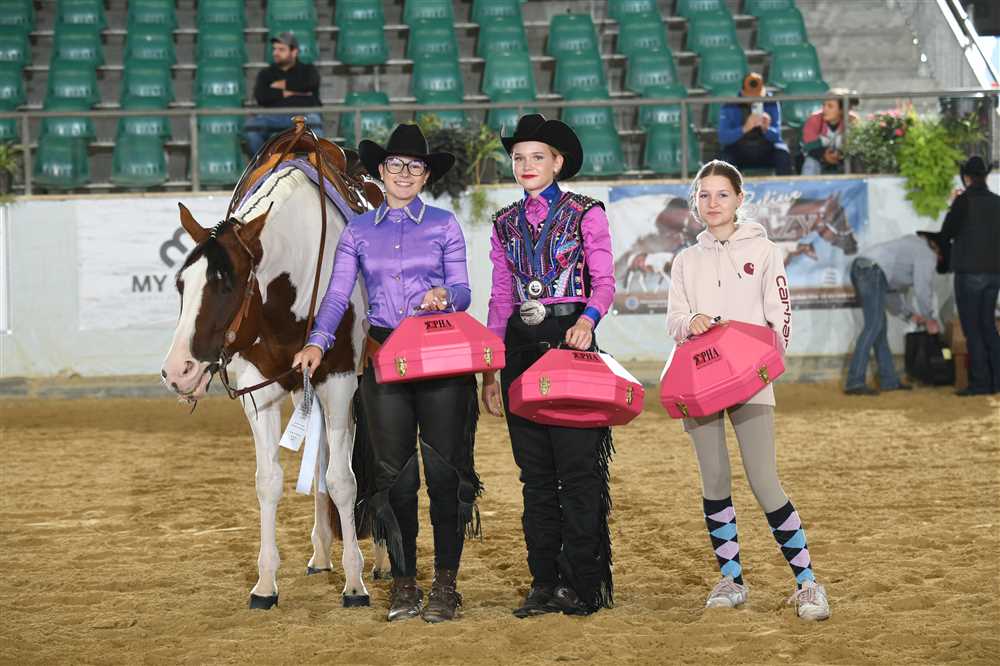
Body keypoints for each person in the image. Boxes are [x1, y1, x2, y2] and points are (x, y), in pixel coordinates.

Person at [293, 124, 480, 624]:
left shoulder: (444, 225)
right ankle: (404, 584)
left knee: (445, 474)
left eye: (415, 166)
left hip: (440, 358)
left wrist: (446, 295)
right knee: (394, 478)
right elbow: (337, 295)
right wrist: (317, 341)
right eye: (395, 164)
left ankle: (445, 585)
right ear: (381, 171)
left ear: (426, 175)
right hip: (384, 359)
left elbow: (463, 291)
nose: (404, 173)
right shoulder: (357, 231)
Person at [666, 159, 830, 621]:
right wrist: (690, 321)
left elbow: (780, 314)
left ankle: (807, 583)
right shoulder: (685, 260)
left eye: (721, 194)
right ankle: (731, 580)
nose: (712, 202)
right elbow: (674, 320)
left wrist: (766, 367)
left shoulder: (765, 251)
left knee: (763, 479)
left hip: (748, 378)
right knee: (715, 480)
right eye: (703, 195)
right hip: (699, 380)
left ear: (739, 199)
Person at [481, 114, 616, 618]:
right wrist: (491, 367)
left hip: (571, 344)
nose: (526, 165)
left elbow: (605, 282)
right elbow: (500, 298)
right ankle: (543, 581)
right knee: (535, 475)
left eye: (537, 156)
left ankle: (581, 583)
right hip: (519, 349)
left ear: (558, 163)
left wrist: (588, 320)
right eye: (519, 157)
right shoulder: (503, 223)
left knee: (578, 471)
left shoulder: (587, 214)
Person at [844, 233, 943, 395]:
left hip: (863, 268)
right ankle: (854, 382)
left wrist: (909, 315)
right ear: (938, 252)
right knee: (874, 326)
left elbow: (890, 292)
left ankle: (889, 380)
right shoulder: (927, 253)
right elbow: (922, 288)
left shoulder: (909, 250)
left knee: (879, 328)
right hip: (871, 270)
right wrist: (930, 319)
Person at [939, 156, 1000, 396]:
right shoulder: (997, 202)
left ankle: (980, 383)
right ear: (985, 176)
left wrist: (952, 206)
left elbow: (946, 234)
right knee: (989, 327)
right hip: (995, 273)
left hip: (970, 273)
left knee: (973, 329)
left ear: (966, 178)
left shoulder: (963, 201)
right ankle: (997, 381)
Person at [245, 32, 324, 156]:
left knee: (315, 123)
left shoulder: (308, 70)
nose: (275, 53)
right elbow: (261, 96)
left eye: (281, 49)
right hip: (273, 116)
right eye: (274, 49)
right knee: (251, 127)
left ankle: (312, 165)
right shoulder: (266, 73)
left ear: (294, 52)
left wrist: (282, 86)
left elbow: (311, 84)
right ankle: (265, 164)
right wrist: (295, 90)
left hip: (304, 115)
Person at [718, 73, 792, 176]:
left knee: (783, 154)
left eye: (758, 96)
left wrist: (766, 129)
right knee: (725, 160)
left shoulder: (771, 101)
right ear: (742, 92)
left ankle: (785, 186)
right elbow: (723, 137)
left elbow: (777, 136)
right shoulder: (730, 105)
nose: (754, 99)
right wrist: (744, 128)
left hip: (766, 149)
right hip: (739, 150)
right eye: (750, 96)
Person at [800, 90, 859, 176]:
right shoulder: (814, 119)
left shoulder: (852, 120)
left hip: (843, 160)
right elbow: (808, 147)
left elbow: (856, 146)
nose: (825, 109)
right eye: (824, 105)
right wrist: (824, 156)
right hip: (819, 160)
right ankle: (807, 184)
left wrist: (840, 154)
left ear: (842, 110)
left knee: (857, 159)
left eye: (830, 106)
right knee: (810, 162)